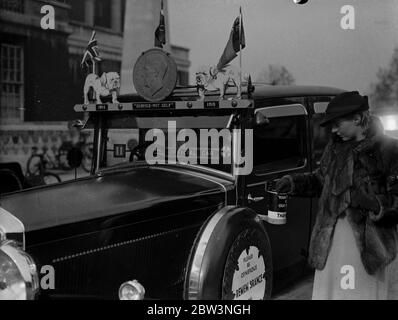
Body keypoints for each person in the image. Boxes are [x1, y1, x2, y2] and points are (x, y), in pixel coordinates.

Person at [276, 91, 398, 299]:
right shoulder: (334, 149)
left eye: (337, 124)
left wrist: (372, 203)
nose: (333, 130)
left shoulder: (389, 150)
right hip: (331, 243)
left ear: (358, 118)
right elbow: (321, 180)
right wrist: (294, 183)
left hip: (369, 249)